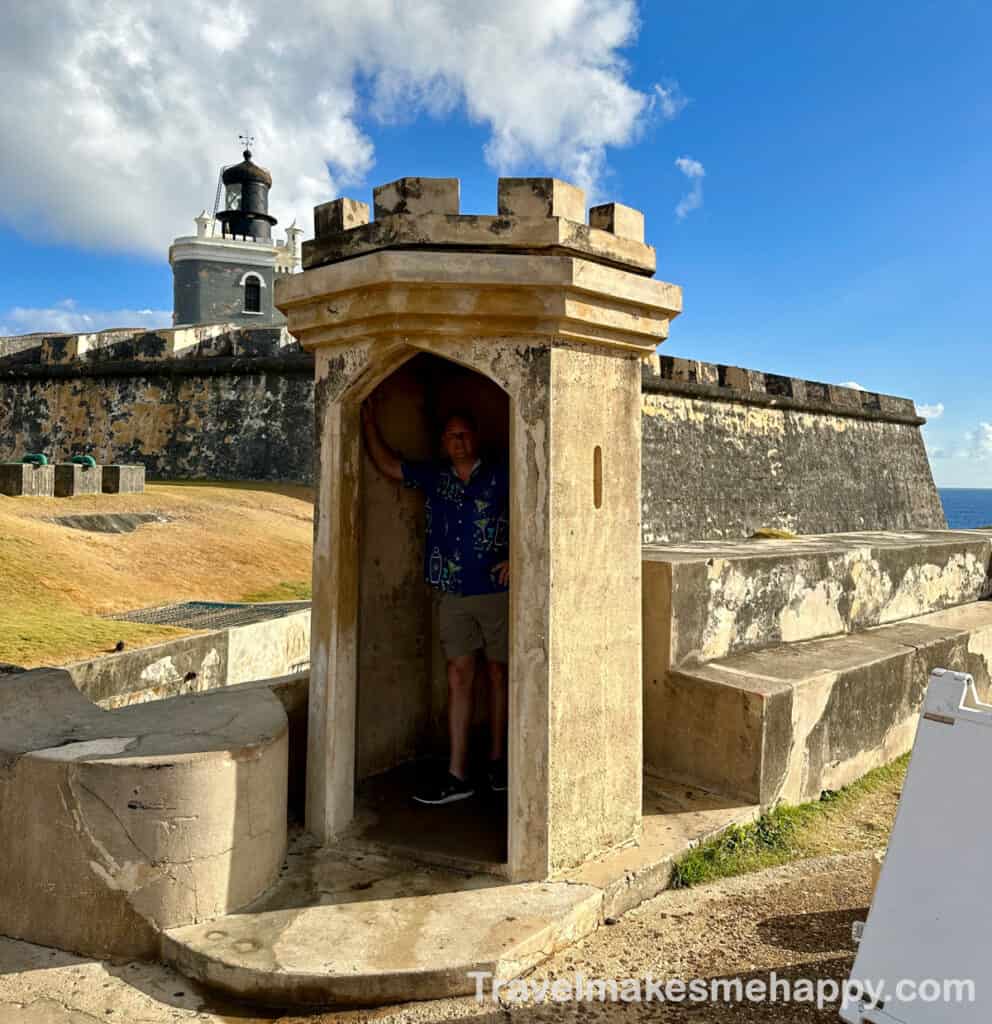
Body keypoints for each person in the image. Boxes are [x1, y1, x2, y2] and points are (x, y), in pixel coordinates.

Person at [361, 401, 510, 805]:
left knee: (499, 674)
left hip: (496, 592)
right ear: (443, 443)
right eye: (450, 436)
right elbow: (390, 467)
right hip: (453, 591)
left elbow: (536, 509)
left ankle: (499, 762)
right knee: (459, 676)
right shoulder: (436, 477)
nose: (457, 442)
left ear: (475, 437)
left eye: (463, 434)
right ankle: (457, 772)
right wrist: (369, 422)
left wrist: (518, 557)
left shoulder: (501, 475)